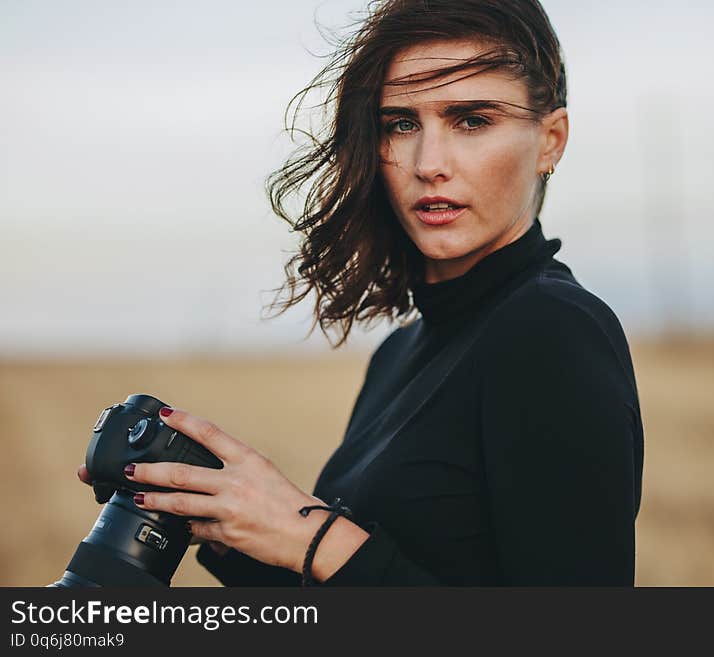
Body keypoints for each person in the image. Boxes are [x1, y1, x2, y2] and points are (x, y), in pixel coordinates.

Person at [78, 0, 645, 586]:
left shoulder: (552, 330)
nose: (429, 163)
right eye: (401, 123)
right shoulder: (398, 355)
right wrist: (219, 514)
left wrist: (309, 533)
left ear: (551, 140)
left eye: (472, 120)